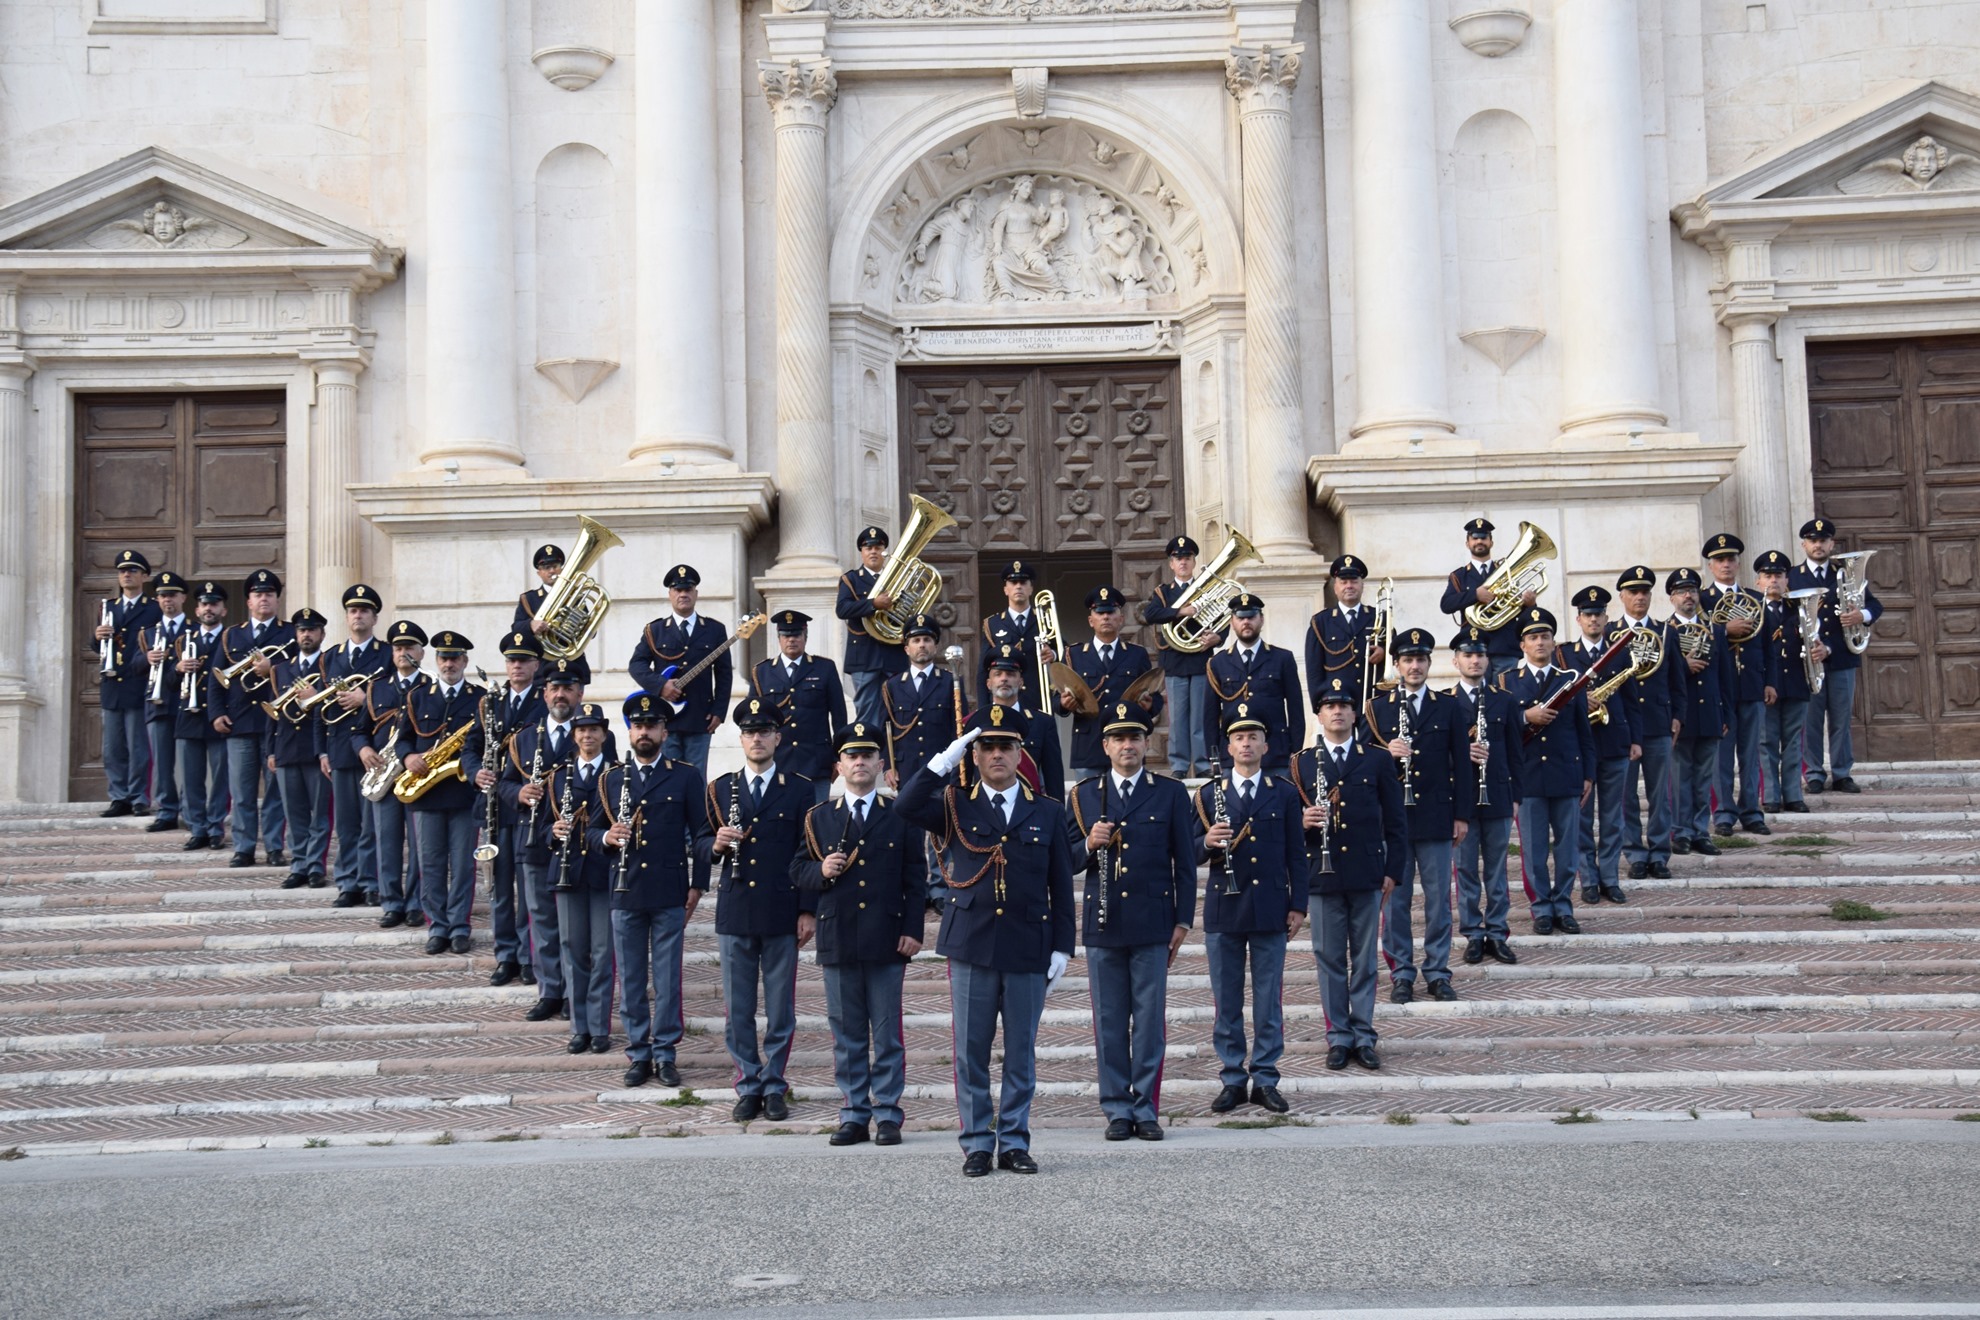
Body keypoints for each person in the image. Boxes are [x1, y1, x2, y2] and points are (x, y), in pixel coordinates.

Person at [895, 708, 1076, 1177]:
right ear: (973, 756)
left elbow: (1060, 884)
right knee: (970, 1052)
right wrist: (941, 760)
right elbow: (906, 806)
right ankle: (977, 1142)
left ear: (1020, 755)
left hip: (1028, 945)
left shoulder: (1048, 810)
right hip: (972, 944)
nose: (997, 755)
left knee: (1020, 1051)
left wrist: (1063, 947)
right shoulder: (954, 804)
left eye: (1006, 748)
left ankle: (1014, 1141)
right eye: (987, 748)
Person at [1065, 703, 1194, 1141]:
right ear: (1105, 746)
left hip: (1153, 920)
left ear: (1145, 744)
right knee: (1109, 1019)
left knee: (1150, 1019)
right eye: (1118, 738)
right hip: (1104, 923)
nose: (1127, 746)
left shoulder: (1170, 793)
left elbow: (1185, 864)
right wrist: (1087, 842)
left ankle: (1147, 1107)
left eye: (1135, 738)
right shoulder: (1084, 793)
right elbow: (1063, 861)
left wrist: (1182, 921)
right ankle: (1117, 1107)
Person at [796, 723, 928, 1147]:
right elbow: (796, 870)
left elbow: (915, 878)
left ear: (880, 764)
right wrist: (820, 871)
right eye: (851, 756)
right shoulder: (819, 817)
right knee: (847, 1032)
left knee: (886, 1032)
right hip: (839, 938)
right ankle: (854, 1113)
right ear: (838, 767)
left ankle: (888, 1113)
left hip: (888, 938)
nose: (859, 762)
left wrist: (913, 929)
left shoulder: (900, 815)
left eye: (867, 755)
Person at [593, 692, 712, 1089]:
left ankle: (665, 1052)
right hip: (624, 892)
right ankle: (638, 1052)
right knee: (629, 977)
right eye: (638, 726)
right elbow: (591, 830)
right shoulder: (610, 778)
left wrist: (698, 883)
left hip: (668, 888)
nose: (644, 732)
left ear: (664, 730)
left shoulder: (686, 775)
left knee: (667, 977)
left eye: (652, 726)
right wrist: (606, 837)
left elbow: (703, 833)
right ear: (629, 731)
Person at [702, 697, 813, 1123]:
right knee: (739, 1007)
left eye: (764, 731)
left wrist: (807, 909)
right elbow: (697, 843)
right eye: (749, 732)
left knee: (781, 1008)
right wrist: (713, 845)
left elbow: (808, 851)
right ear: (742, 738)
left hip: (782, 908)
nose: (757, 738)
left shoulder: (799, 788)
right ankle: (748, 1083)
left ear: (777, 737)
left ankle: (775, 1084)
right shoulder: (720, 787)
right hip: (735, 910)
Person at [1194, 704, 1309, 1113]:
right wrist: (1207, 841)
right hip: (1225, 909)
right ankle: (1230, 1077)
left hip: (1270, 907)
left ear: (1265, 744)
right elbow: (1188, 852)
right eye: (1239, 738)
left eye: (1253, 737)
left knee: (1267, 1000)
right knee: (1227, 1000)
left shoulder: (1282, 792)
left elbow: (1298, 853)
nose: (1246, 743)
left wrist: (1298, 905)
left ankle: (1265, 1076)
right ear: (1228, 747)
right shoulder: (1209, 794)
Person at [1296, 678, 1407, 1068]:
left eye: (1344, 706)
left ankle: (1363, 1035)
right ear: (1320, 715)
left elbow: (1395, 822)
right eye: (1330, 706)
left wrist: (1394, 871)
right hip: (1322, 878)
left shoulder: (1376, 759)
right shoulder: (1302, 762)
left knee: (1363, 960)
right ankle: (1338, 1036)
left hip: (1366, 873)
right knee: (1328, 957)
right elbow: (1289, 826)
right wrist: (1302, 821)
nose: (1338, 712)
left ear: (1354, 713)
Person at [1360, 627, 1470, 1003]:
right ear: (1396, 664)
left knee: (1440, 901)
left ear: (1429, 663)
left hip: (1437, 816)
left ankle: (1438, 971)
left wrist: (1462, 815)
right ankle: (1402, 972)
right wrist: (1383, 752)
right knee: (1397, 901)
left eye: (1421, 659)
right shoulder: (1377, 708)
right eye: (1407, 660)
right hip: (1392, 821)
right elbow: (1358, 764)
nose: (1415, 666)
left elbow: (1462, 764)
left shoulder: (1449, 705)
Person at [499, 662, 590, 1025]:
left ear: (579, 694)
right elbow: (503, 784)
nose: (560, 695)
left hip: (575, 840)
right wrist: (519, 792)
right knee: (541, 920)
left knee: (572, 925)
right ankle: (549, 990)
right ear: (544, 693)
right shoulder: (523, 738)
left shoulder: (593, 732)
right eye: (554, 688)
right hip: (534, 839)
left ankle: (573, 992)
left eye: (568, 688)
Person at [1503, 607, 1596, 936]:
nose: (1539, 642)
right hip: (1528, 777)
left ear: (1554, 642)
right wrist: (1526, 717)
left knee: (1568, 849)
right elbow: (1498, 728)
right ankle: (1541, 907)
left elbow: (1584, 731)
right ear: (1522, 646)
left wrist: (1588, 775)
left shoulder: (1569, 680)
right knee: (1534, 850)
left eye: (1544, 636)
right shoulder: (1507, 682)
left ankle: (1563, 906)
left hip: (1566, 774)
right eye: (1532, 637)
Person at [396, 630, 485, 956]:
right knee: (430, 864)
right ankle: (438, 926)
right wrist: (408, 757)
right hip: (426, 794)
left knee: (463, 865)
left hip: (462, 793)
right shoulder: (418, 697)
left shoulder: (480, 699)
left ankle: (460, 925)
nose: (449, 663)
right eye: (444, 657)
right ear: (436, 660)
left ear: (464, 661)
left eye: (455, 657)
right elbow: (403, 739)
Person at [1558, 587, 1641, 906]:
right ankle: (1588, 880)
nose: (1593, 619)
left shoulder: (1620, 652)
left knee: (1612, 817)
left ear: (1607, 618)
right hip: (1580, 745)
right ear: (1578, 619)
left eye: (1599, 614)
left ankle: (1609, 878)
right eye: (1587, 615)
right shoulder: (1564, 655)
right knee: (1581, 817)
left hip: (1615, 742)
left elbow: (1632, 701)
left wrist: (1635, 739)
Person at [1789, 517, 1882, 795]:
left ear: (1831, 543)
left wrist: (1860, 615)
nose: (1818, 545)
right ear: (1804, 544)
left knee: (1841, 718)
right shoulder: (1792, 576)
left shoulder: (1846, 574)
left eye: (1823, 540)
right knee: (1811, 719)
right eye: (1813, 541)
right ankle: (1814, 773)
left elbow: (1875, 606)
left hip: (1841, 657)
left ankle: (1842, 773)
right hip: (1810, 659)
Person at [1447, 626, 1522, 965]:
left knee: (1496, 870)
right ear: (1456, 660)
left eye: (1480, 655)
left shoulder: (1504, 700)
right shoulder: (1446, 702)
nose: (1474, 660)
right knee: (1465, 870)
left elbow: (1518, 753)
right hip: (1461, 799)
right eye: (1468, 655)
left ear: (1488, 660)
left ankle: (1497, 931)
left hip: (1498, 795)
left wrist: (1516, 795)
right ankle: (1473, 933)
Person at [209, 569, 292, 869]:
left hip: (276, 725)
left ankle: (273, 846)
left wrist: (274, 668)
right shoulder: (232, 634)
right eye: (258, 594)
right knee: (242, 791)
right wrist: (216, 713)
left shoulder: (290, 633)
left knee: (274, 791)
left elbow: (301, 674)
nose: (264, 599)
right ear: (249, 600)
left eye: (269, 594)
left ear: (277, 600)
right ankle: (243, 847)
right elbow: (216, 678)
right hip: (239, 722)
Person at [476, 630, 546, 987]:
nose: (516, 666)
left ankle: (528, 956)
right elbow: (472, 745)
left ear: (536, 664)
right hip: (496, 807)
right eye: (511, 660)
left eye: (523, 660)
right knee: (500, 889)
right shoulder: (492, 701)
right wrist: (476, 771)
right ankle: (505, 956)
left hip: (529, 807)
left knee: (528, 889)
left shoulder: (546, 700)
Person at [547, 701, 615, 1055]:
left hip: (604, 872)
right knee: (573, 949)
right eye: (581, 730)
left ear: (604, 734)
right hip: (568, 871)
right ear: (574, 736)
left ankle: (600, 1027)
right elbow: (543, 825)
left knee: (603, 953)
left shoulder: (618, 774)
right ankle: (580, 1027)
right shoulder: (559, 776)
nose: (587, 735)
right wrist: (552, 829)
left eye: (594, 729)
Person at [320, 584, 392, 905]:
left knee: (371, 825)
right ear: (347, 617)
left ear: (375, 617)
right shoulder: (330, 657)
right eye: (353, 610)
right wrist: (320, 750)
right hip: (339, 749)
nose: (358, 615)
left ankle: (370, 882)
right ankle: (347, 883)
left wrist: (367, 698)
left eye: (364, 610)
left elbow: (396, 698)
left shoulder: (387, 654)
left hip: (373, 750)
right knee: (346, 824)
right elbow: (317, 711)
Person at [1614, 566, 1685, 881]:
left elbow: (1677, 680)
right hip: (1624, 728)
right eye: (1633, 592)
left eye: (1644, 592)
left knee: (1660, 794)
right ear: (1623, 596)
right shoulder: (1610, 634)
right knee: (1625, 795)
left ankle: (1659, 854)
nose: (1639, 597)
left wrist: (1678, 716)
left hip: (1657, 723)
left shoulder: (1666, 631)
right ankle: (1634, 854)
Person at [628, 563, 731, 777]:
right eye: (678, 590)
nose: (683, 594)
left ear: (696, 593)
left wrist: (719, 712)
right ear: (670, 594)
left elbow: (724, 674)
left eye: (688, 589)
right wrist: (660, 686)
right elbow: (636, 665)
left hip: (700, 717)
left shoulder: (714, 630)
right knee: (666, 777)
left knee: (696, 777)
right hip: (665, 719)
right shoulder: (654, 630)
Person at [1701, 534, 1771, 837]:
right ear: (1711, 565)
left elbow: (1768, 645)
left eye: (1730, 559)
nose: (1726, 564)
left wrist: (1771, 682)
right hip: (1719, 689)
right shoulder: (1702, 600)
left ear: (1738, 563)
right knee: (1721, 755)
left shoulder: (1755, 599)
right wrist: (1722, 629)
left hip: (1752, 684)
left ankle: (1752, 811)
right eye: (1720, 560)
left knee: (1752, 753)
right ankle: (1724, 812)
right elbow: (1696, 638)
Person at [360, 620, 429, 928]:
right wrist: (362, 749)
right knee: (386, 841)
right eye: (398, 648)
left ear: (421, 652)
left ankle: (416, 903)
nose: (403, 653)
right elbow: (357, 731)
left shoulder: (431, 687)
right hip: (383, 776)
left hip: (418, 776)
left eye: (409, 647)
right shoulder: (377, 688)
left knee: (418, 844)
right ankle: (391, 902)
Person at [1062, 585, 1163, 784]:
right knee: (1089, 808)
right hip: (1088, 747)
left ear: (1121, 619)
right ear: (1091, 621)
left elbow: (1156, 696)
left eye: (1110, 612)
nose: (1105, 617)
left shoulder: (1137, 654)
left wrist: (1150, 705)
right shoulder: (1073, 655)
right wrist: (1064, 704)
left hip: (1127, 746)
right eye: (1100, 613)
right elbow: (1057, 698)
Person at [1666, 569, 1735, 858]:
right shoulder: (1664, 632)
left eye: (1692, 591)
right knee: (1680, 778)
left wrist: (1727, 716)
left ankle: (1700, 831)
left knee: (1704, 779)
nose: (1688, 596)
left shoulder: (1716, 630)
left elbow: (1726, 677)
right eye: (1682, 592)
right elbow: (1661, 678)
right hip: (1681, 718)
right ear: (1671, 598)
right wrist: (1684, 665)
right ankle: (1680, 832)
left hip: (1709, 715)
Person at [1142, 535, 1223, 778]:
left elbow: (1223, 618)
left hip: (1200, 660)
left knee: (1200, 717)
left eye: (1187, 558)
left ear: (1194, 561)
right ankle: (1178, 766)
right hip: (1175, 662)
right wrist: (1181, 611)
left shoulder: (1206, 588)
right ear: (1171, 564)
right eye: (1178, 559)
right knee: (1177, 720)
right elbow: (1151, 614)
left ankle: (1201, 765)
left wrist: (1218, 638)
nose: (1183, 562)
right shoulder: (1164, 592)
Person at [749, 609, 846, 803]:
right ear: (779, 638)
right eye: (786, 635)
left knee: (815, 822)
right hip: (777, 761)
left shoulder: (824, 668)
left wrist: (838, 757)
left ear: (805, 637)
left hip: (816, 762)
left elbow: (839, 717)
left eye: (796, 635)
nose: (791, 640)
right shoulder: (762, 672)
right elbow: (752, 721)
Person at [93, 548, 160, 818]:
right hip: (112, 686)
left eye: (132, 570)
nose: (127, 575)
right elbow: (99, 648)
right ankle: (118, 796)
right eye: (122, 571)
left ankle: (138, 796)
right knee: (112, 748)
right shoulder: (108, 608)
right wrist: (97, 636)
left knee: (138, 747)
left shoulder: (153, 609)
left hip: (138, 683)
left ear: (144, 576)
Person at [1203, 593, 1304, 773]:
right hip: (1232, 754)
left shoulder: (1282, 658)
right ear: (1232, 622)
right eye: (1240, 618)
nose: (1246, 622)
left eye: (1251, 617)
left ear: (1262, 619)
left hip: (1275, 753)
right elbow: (1210, 714)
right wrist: (1213, 755)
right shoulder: (1217, 663)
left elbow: (1296, 708)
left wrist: (1295, 750)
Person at [267, 608, 331, 890]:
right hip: (287, 749)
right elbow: (273, 711)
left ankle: (316, 866)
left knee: (319, 813)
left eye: (312, 630)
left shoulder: (330, 665)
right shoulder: (281, 669)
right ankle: (299, 865)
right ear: (295, 634)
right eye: (302, 630)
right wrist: (271, 751)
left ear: (322, 634)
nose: (306, 635)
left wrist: (315, 697)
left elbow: (332, 707)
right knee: (294, 814)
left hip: (316, 749)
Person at [1757, 549, 1823, 815]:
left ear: (1787, 580)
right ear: (1759, 581)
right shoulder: (1755, 610)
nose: (1774, 581)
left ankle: (1794, 794)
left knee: (1794, 741)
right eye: (1768, 576)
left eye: (1779, 576)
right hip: (1766, 687)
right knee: (1767, 741)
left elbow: (1814, 640)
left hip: (1796, 683)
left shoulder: (1801, 609)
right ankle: (1771, 795)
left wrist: (1823, 650)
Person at [172, 581, 230, 852]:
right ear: (196, 610)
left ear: (223, 610)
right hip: (189, 717)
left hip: (219, 716)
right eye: (205, 604)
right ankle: (197, 828)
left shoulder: (231, 639)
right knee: (191, 778)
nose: (209, 609)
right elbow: (167, 683)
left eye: (214, 604)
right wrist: (178, 668)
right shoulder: (184, 641)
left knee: (220, 777)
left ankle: (216, 827)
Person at [1440, 517, 1532, 683]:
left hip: (1505, 646)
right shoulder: (1459, 576)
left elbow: (1518, 605)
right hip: (1474, 646)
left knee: (1505, 698)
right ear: (1467, 543)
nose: (1479, 541)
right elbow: (1446, 605)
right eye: (1475, 538)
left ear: (1491, 542)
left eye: (1484, 538)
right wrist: (1475, 595)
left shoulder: (1507, 571)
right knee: (1478, 699)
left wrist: (1530, 604)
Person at [836, 526, 908, 730]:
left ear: (884, 550)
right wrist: (872, 604)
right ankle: (868, 755)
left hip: (894, 654)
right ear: (862, 552)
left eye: (878, 547)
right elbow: (842, 609)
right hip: (864, 656)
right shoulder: (851, 579)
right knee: (867, 713)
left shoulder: (898, 579)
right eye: (868, 548)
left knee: (899, 710)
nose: (873, 551)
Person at [140, 571, 190, 835]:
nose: (167, 600)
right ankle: (167, 811)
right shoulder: (148, 634)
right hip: (158, 706)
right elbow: (132, 669)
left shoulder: (193, 630)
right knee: (162, 763)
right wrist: (146, 658)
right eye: (161, 595)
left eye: (171, 595)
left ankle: (191, 811)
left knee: (189, 764)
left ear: (182, 597)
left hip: (185, 705)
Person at [981, 644, 1065, 801]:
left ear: (1020, 683)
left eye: (1011, 674)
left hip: (1030, 810)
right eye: (998, 674)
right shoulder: (976, 724)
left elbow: (1054, 779)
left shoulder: (1043, 723)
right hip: (985, 811)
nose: (1004, 678)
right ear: (989, 683)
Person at [1305, 554, 1383, 714]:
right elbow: (1314, 672)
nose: (1349, 586)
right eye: (1343, 582)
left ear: (1362, 586)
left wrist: (1384, 651)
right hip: (1338, 703)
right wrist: (1319, 707)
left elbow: (1396, 655)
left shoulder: (1379, 618)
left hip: (1373, 702)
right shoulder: (1320, 622)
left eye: (1354, 581)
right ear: (1335, 587)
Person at [976, 558, 1047, 707]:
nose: (1018, 587)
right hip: (1003, 702)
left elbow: (1062, 656)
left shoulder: (1045, 620)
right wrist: (983, 708)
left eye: (1023, 583)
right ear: (1005, 590)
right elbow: (983, 670)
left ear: (1031, 589)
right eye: (1014, 583)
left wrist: (1052, 653)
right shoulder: (992, 624)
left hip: (1037, 700)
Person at [513, 543, 564, 635]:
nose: (552, 571)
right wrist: (530, 624)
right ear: (539, 573)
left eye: (555, 566)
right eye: (547, 567)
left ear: (562, 570)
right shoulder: (528, 599)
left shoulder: (574, 595)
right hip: (540, 649)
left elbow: (592, 633)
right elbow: (516, 628)